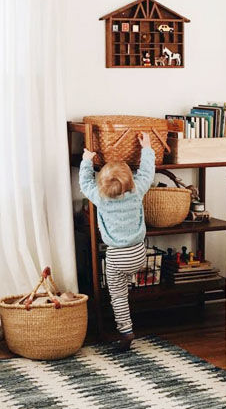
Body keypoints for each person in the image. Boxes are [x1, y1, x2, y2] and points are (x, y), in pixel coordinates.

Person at [79, 132, 155, 351]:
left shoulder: (99, 197)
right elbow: (147, 173)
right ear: (130, 180)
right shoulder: (137, 191)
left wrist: (87, 160)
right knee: (128, 283)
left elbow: (84, 183)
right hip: (139, 254)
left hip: (116, 256)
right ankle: (135, 309)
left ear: (101, 183)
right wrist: (147, 148)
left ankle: (126, 330)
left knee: (118, 296)